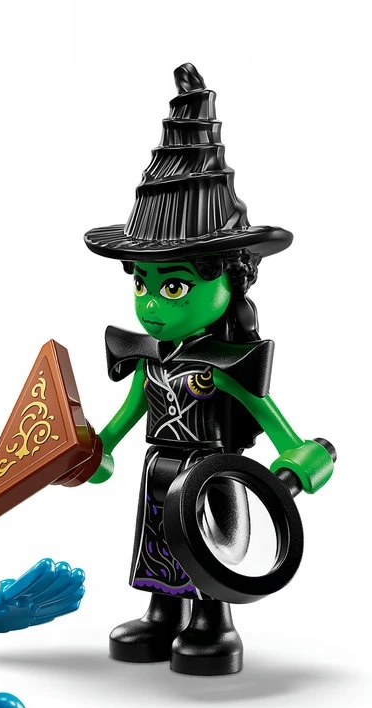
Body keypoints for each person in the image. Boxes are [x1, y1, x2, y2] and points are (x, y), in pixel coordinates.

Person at [81, 64, 333, 675]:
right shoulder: (151, 357)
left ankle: (213, 623)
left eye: (172, 286)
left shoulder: (226, 362)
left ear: (231, 279)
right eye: (142, 283)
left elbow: (281, 430)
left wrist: (298, 465)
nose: (149, 304)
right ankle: (160, 612)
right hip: (159, 466)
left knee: (207, 548)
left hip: (210, 470)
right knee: (156, 542)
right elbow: (129, 412)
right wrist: (96, 450)